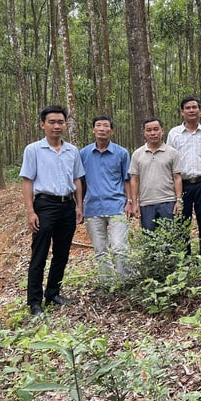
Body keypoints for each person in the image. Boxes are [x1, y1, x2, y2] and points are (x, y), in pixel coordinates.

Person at [20, 105, 85, 316]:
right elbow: (28, 181)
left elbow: (77, 178)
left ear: (65, 125)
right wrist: (30, 211)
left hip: (67, 205)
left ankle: (53, 293)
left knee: (62, 253)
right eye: (52, 122)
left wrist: (79, 206)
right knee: (39, 254)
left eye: (60, 122)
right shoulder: (33, 150)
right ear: (42, 125)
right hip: (44, 205)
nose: (56, 126)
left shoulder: (72, 151)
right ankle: (34, 302)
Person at [80, 115, 133, 281]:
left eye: (105, 126)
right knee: (100, 249)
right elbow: (80, 182)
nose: (102, 129)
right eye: (98, 125)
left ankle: (125, 281)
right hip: (92, 207)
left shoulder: (122, 153)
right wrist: (79, 206)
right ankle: (107, 283)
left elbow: (127, 179)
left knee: (119, 246)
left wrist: (130, 202)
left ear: (112, 131)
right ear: (93, 130)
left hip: (117, 205)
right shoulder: (83, 154)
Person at [167, 96, 201, 255]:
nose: (191, 110)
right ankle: (186, 258)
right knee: (182, 222)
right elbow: (168, 160)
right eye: (188, 108)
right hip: (182, 184)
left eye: (194, 107)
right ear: (182, 112)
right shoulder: (174, 134)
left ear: (200, 111)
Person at [129, 118, 183, 232]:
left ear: (162, 131)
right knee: (149, 241)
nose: (152, 133)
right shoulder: (137, 154)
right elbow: (134, 180)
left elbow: (177, 178)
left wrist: (178, 200)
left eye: (156, 129)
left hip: (168, 202)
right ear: (144, 132)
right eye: (149, 130)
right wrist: (135, 203)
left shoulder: (172, 153)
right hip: (146, 203)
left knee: (170, 239)